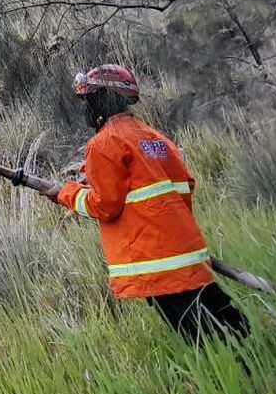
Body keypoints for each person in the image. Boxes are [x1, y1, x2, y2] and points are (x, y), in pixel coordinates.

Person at [40, 64, 249, 345]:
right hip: (187, 255)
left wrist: (65, 193)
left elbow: (104, 206)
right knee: (230, 327)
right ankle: (257, 367)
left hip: (158, 263)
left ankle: (232, 380)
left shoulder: (104, 143)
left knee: (205, 340)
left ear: (103, 98)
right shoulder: (157, 139)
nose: (85, 107)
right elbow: (179, 190)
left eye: (89, 98)